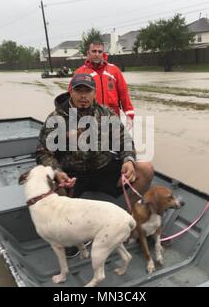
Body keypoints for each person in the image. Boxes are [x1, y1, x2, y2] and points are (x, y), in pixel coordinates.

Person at [37, 73, 153, 257]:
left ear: (94, 93)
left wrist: (128, 160)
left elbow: (125, 141)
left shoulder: (106, 113)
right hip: (72, 174)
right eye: (78, 90)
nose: (83, 95)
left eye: (87, 91)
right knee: (49, 181)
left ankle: (126, 223)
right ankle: (70, 237)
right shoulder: (56, 118)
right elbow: (43, 153)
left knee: (145, 168)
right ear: (71, 91)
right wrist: (57, 171)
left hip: (103, 168)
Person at [70, 41, 135, 129]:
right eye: (94, 51)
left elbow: (123, 93)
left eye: (100, 51)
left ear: (103, 53)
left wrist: (129, 115)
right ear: (88, 53)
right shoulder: (80, 72)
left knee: (114, 142)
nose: (97, 54)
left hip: (112, 118)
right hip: (89, 119)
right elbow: (71, 97)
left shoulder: (114, 70)